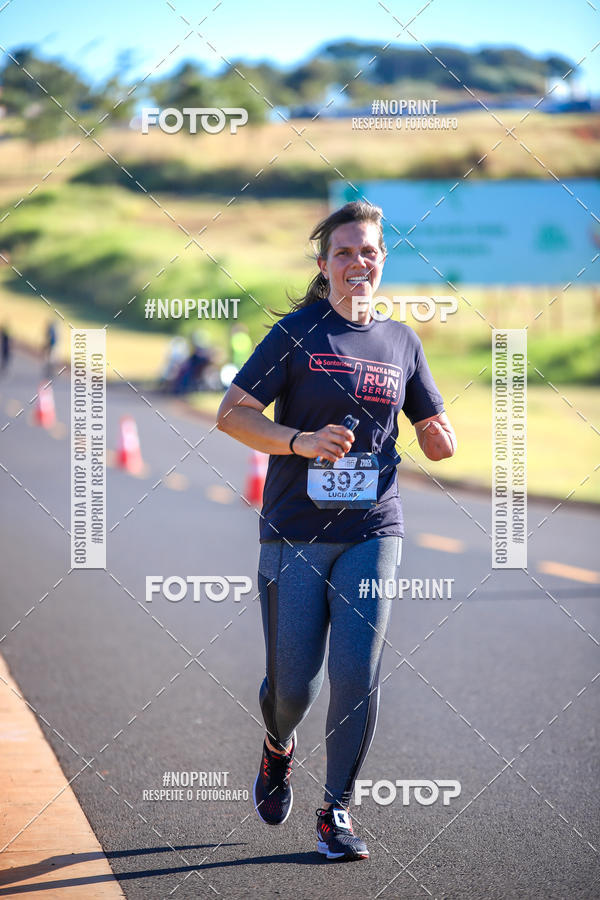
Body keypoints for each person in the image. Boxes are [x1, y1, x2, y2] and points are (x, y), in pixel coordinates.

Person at [216, 200, 456, 862]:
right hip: (294, 529)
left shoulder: (403, 342)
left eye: (369, 251)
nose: (358, 261)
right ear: (324, 266)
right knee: (292, 688)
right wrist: (299, 441)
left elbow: (434, 434)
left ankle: (336, 812)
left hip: (374, 528)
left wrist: (439, 434)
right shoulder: (295, 334)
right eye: (344, 252)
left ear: (383, 262)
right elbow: (232, 414)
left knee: (357, 672)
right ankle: (278, 747)